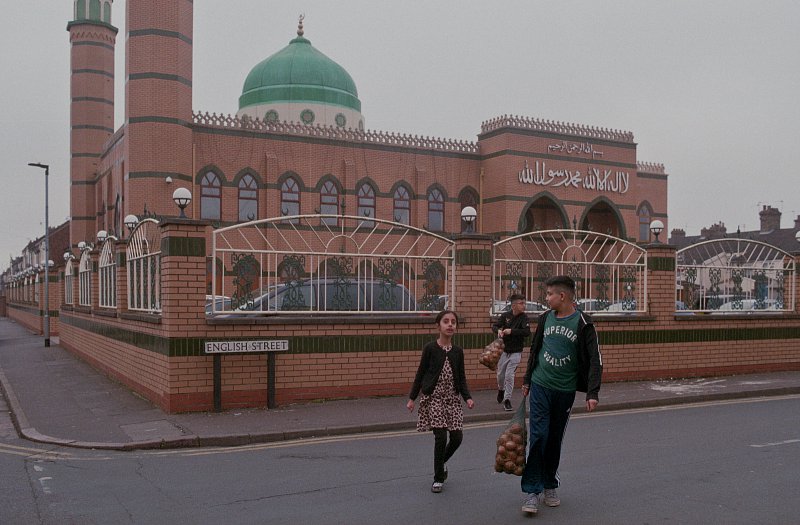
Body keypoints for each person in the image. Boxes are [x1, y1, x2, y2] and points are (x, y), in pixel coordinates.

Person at [519, 276, 602, 515]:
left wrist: (592, 392)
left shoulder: (584, 322)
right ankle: (532, 491)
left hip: (564, 390)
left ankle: (549, 484)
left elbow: (595, 358)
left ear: (562, 296)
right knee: (538, 436)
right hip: (540, 385)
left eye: (549, 295)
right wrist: (526, 379)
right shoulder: (545, 318)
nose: (546, 299)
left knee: (554, 438)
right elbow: (535, 349)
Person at [407, 310, 475, 493]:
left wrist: (467, 397)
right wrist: (412, 398)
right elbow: (420, 373)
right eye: (446, 321)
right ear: (438, 326)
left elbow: (461, 377)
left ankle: (440, 463)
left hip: (452, 399)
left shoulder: (458, 352)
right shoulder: (430, 348)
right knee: (440, 437)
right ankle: (438, 477)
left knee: (457, 437)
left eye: (453, 322)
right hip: (434, 397)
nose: (450, 325)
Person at [492, 294, 532, 411]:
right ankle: (501, 390)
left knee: (509, 375)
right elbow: (495, 326)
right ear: (514, 305)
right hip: (504, 351)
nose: (524, 306)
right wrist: (498, 330)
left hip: (516, 352)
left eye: (524, 303)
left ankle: (507, 399)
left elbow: (526, 332)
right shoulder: (505, 316)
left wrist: (512, 331)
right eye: (521, 303)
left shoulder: (524, 318)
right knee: (500, 375)